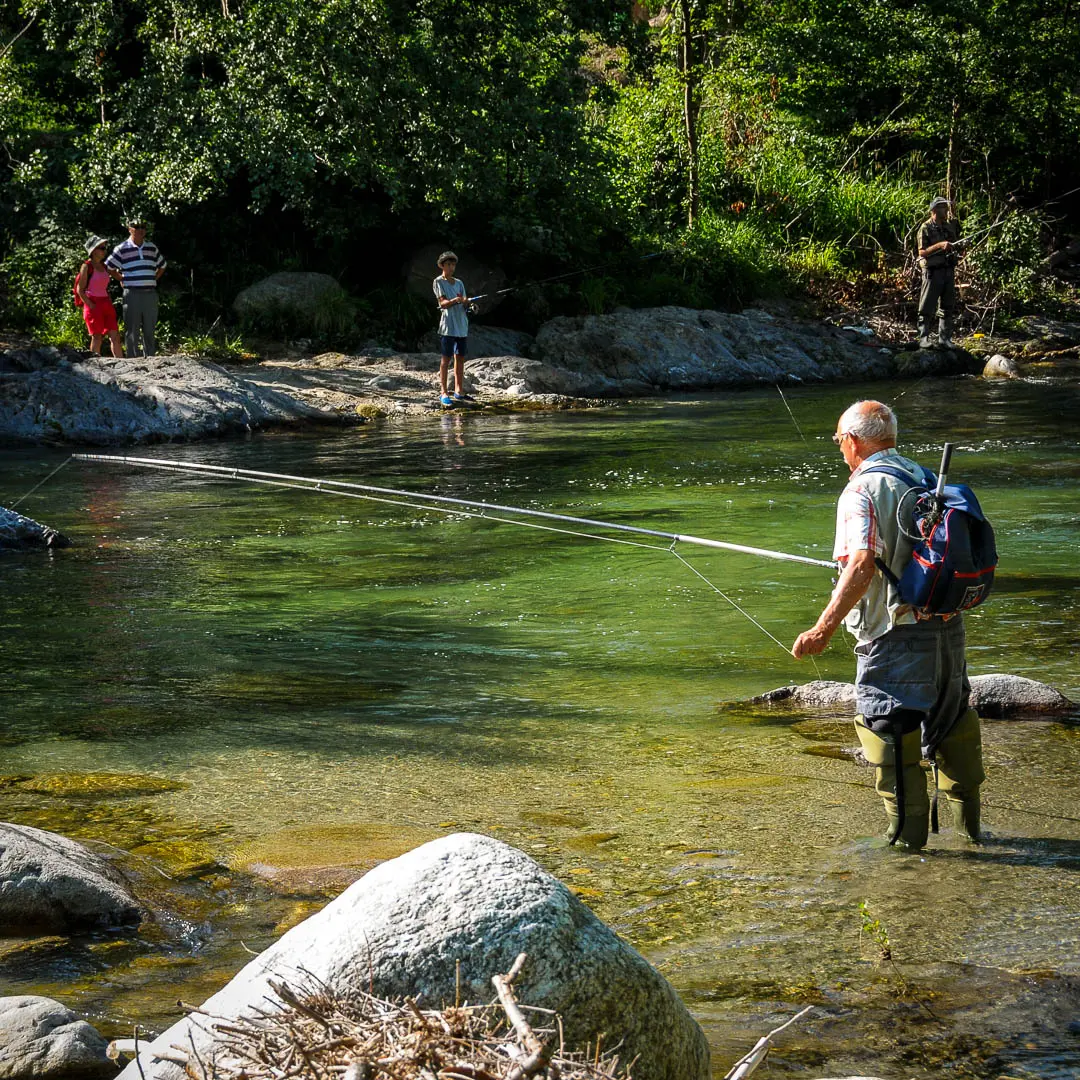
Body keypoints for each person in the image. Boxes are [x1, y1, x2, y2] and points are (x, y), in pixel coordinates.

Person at [791, 400, 984, 849]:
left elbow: (860, 566)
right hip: (947, 626)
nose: (840, 449)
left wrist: (822, 629)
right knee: (954, 726)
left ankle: (904, 850)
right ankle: (974, 836)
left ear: (854, 441)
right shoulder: (922, 475)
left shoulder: (862, 489)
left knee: (890, 736)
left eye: (839, 440)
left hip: (894, 635)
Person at [106, 219, 166, 357]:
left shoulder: (151, 247)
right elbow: (110, 267)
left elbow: (162, 265)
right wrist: (122, 278)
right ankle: (133, 359)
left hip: (150, 294)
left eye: (143, 227)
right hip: (132, 293)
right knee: (132, 329)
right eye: (137, 227)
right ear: (130, 229)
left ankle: (150, 357)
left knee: (149, 329)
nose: (140, 230)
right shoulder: (121, 248)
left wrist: (152, 279)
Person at [917, 196, 961, 349]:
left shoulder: (949, 226)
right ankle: (923, 339)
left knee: (947, 307)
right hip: (932, 272)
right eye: (942, 207)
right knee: (926, 307)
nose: (946, 210)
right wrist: (939, 245)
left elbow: (954, 245)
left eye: (946, 206)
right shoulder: (925, 227)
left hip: (948, 271)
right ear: (934, 210)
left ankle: (945, 339)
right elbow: (922, 252)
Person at [432, 251, 471, 407]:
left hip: (462, 326)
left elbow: (464, 303)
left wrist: (468, 303)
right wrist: (456, 300)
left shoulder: (460, 283)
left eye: (453, 264)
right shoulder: (438, 282)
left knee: (460, 358)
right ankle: (443, 392)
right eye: (448, 264)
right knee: (445, 360)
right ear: (442, 265)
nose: (451, 267)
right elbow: (443, 303)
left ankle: (459, 391)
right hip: (448, 326)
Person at [76, 236, 124, 357]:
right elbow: (80, 290)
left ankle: (122, 363)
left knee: (115, 335)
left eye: (105, 248)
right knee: (97, 337)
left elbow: (118, 277)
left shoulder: (104, 266)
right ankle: (95, 364)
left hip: (106, 302)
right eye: (101, 248)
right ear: (93, 251)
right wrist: (91, 305)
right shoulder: (86, 266)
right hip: (93, 303)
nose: (104, 250)